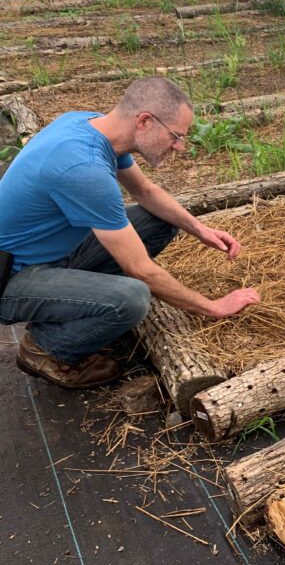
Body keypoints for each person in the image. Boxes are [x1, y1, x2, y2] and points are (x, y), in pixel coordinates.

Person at [0, 76, 260, 389]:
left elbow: (146, 191)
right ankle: (47, 348)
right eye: (175, 136)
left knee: (160, 220)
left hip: (51, 254)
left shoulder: (92, 125)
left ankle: (75, 304)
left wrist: (200, 229)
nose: (179, 146)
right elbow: (141, 271)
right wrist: (214, 306)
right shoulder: (83, 169)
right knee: (133, 297)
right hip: (10, 279)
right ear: (145, 121)